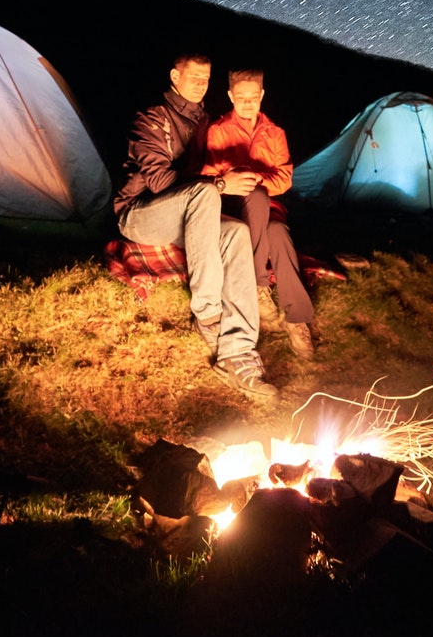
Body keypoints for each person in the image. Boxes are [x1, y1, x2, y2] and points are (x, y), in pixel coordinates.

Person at [114, 53, 277, 400]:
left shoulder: (204, 121)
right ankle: (207, 313)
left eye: (206, 79)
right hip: (140, 213)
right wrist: (219, 184)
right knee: (206, 193)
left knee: (236, 233)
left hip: (186, 211)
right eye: (193, 77)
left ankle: (238, 352)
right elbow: (158, 180)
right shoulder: (152, 119)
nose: (201, 84)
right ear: (175, 76)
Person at [201, 70, 316, 361]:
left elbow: (285, 179)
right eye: (241, 98)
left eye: (254, 97)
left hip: (268, 208)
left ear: (262, 95)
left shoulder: (275, 133)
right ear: (231, 97)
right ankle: (260, 284)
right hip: (232, 206)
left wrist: (253, 178)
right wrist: (241, 182)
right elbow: (211, 174)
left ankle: (297, 319)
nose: (248, 103)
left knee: (277, 231)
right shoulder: (219, 130)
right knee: (257, 196)